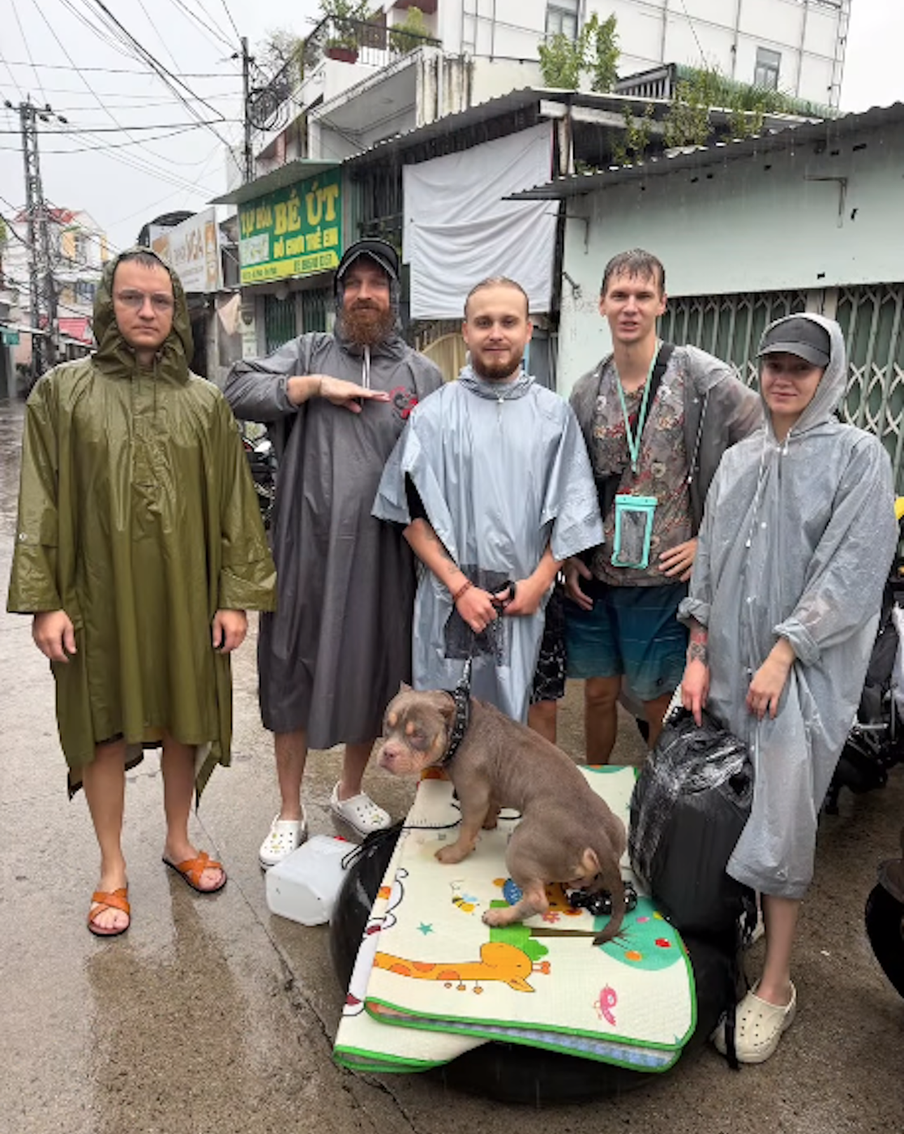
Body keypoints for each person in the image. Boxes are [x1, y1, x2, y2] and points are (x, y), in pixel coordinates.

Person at [7, 248, 276, 937]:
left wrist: (233, 597)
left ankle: (179, 839)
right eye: (132, 298)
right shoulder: (61, 394)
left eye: (159, 301)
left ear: (174, 309)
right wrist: (45, 600)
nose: (147, 312)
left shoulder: (205, 402)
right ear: (109, 305)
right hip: (96, 595)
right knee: (102, 720)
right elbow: (39, 501)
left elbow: (234, 508)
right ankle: (110, 869)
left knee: (185, 714)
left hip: (187, 593)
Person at [680, 313, 897, 1063]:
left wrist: (784, 651)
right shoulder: (740, 460)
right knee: (723, 807)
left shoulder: (857, 458)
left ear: (828, 374)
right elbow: (708, 564)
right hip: (730, 667)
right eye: (773, 362)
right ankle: (729, 932)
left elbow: (853, 571)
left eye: (800, 367)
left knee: (782, 819)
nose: (783, 377)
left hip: (798, 677)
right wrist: (699, 650)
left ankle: (776, 987)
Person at [225, 239, 443, 867]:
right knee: (292, 672)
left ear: (393, 297)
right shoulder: (308, 351)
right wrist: (314, 386)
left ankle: (349, 792)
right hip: (304, 556)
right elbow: (236, 388)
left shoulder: (422, 375)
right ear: (339, 295)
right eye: (354, 284)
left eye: (378, 283)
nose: (365, 294)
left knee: (371, 676)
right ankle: (290, 808)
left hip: (383, 563)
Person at [373, 277, 602, 723]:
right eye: (484, 322)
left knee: (535, 724)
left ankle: (524, 798)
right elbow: (410, 516)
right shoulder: (432, 417)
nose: (496, 332)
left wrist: (539, 583)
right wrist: (459, 587)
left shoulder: (554, 416)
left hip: (531, 596)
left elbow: (572, 514)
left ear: (528, 330)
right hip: (453, 598)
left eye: (508, 321)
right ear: (466, 332)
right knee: (444, 722)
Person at [565, 249, 761, 760]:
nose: (631, 306)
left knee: (659, 701)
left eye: (643, 295)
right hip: (600, 576)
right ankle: (595, 790)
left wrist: (710, 540)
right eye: (620, 295)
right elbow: (570, 482)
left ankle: (657, 801)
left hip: (666, 577)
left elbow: (763, 449)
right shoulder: (587, 391)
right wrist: (568, 555)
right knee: (598, 693)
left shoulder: (700, 377)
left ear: (662, 304)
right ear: (601, 305)